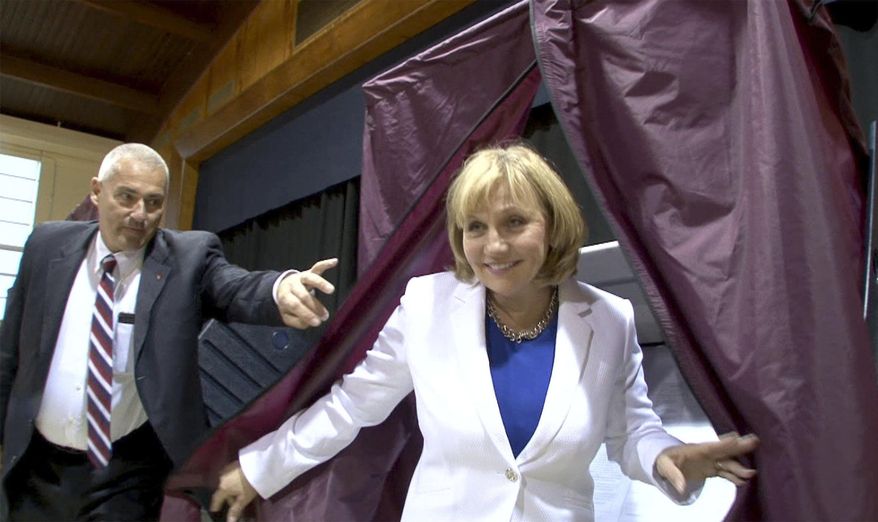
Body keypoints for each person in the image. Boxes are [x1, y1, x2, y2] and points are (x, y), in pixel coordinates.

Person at [211, 143, 759, 522]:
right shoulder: (426, 305)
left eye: (514, 223)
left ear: (553, 226)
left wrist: (669, 458)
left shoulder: (609, 320)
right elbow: (352, 406)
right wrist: (260, 469)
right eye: (476, 227)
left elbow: (631, 433)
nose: (493, 247)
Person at [0, 143, 337, 521]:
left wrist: (280, 289)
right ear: (97, 191)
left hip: (124, 473)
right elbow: (8, 352)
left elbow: (234, 287)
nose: (140, 214)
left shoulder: (187, 257)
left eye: (154, 202)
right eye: (127, 197)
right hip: (38, 465)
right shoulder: (46, 246)